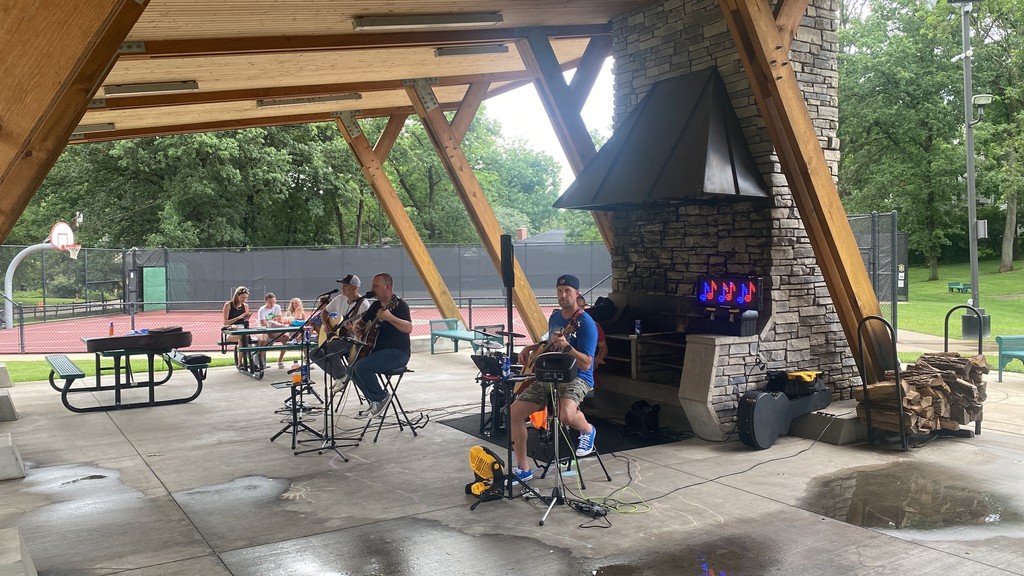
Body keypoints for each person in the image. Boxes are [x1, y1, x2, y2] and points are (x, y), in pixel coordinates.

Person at [510, 274, 599, 483]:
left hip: (578, 377)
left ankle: (587, 429)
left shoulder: (586, 324)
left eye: (568, 291)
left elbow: (587, 363)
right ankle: (523, 468)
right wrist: (531, 348)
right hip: (551, 374)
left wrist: (567, 348)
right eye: (559, 291)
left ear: (577, 293)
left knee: (565, 415)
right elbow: (549, 343)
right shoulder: (555, 318)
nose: (563, 295)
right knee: (515, 412)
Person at [348, 273, 412, 418]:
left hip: (397, 353)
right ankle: (374, 401)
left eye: (376, 286)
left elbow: (408, 328)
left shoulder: (399, 305)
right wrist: (358, 327)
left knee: (361, 367)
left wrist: (390, 318)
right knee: (351, 370)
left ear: (387, 287)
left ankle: (381, 398)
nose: (372, 289)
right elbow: (361, 323)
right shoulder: (376, 306)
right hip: (377, 353)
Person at [311, 274, 371, 392]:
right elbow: (324, 312)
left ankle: (342, 376)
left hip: (353, 341)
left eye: (346, 286)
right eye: (342, 285)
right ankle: (339, 376)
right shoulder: (340, 299)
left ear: (355, 288)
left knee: (329, 348)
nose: (342, 288)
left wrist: (352, 329)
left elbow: (366, 331)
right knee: (313, 354)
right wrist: (326, 325)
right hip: (339, 338)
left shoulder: (364, 305)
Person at [222, 286, 252, 366]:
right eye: (242, 297)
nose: (244, 300)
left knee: (244, 338)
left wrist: (246, 318)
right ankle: (244, 361)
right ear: (237, 296)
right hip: (231, 331)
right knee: (243, 337)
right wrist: (238, 317)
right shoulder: (228, 305)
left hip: (243, 330)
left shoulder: (245, 306)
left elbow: (245, 322)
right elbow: (225, 322)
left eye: (246, 298)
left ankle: (244, 361)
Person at [256, 292, 287, 368]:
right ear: (265, 302)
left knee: (285, 339)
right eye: (270, 302)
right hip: (264, 330)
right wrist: (273, 320)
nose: (272, 304)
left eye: (273, 302)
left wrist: (273, 321)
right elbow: (263, 323)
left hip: (274, 329)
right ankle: (260, 361)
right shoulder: (262, 310)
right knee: (263, 340)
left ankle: (280, 360)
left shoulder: (277, 307)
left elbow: (279, 320)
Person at [276, 297, 308, 368]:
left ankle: (306, 360)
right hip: (291, 332)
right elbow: (289, 322)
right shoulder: (289, 312)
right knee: (285, 342)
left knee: (304, 341)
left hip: (300, 332)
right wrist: (297, 313)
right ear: (292, 304)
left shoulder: (302, 312)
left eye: (299, 302)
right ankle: (280, 360)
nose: (297, 304)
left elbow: (305, 323)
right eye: (295, 303)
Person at [578, 295, 608, 368]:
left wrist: (597, 361)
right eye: (577, 306)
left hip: (586, 366)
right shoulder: (564, 323)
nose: (580, 309)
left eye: (582, 306)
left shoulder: (593, 325)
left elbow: (603, 347)